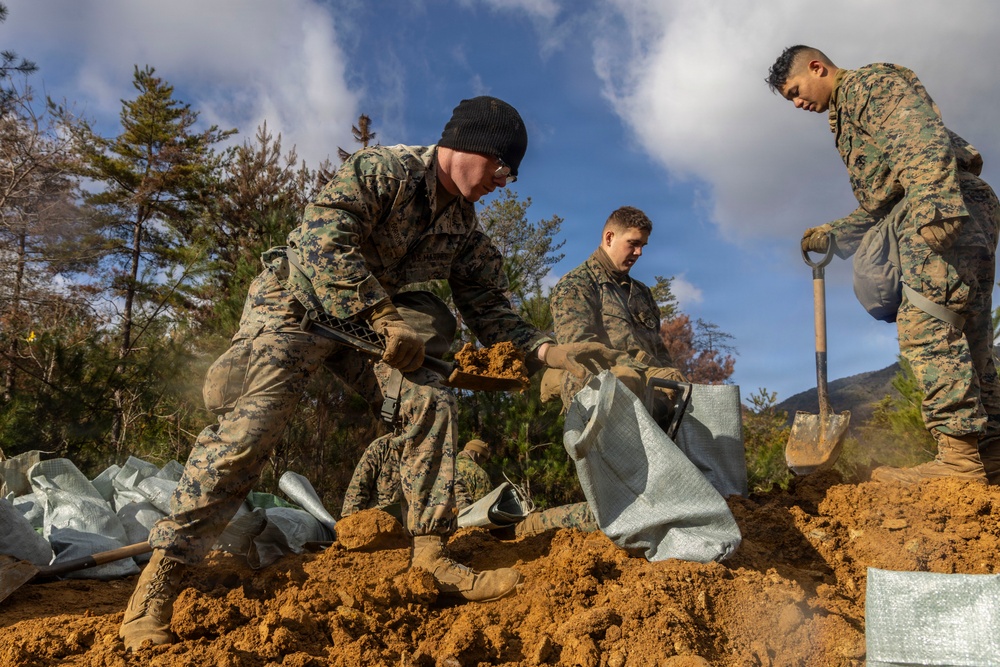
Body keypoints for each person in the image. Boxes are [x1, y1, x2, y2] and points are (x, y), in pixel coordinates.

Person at [119, 95, 620, 650]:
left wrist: (549, 352)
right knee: (250, 431)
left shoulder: (462, 226)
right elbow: (321, 237)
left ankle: (431, 556)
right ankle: (158, 583)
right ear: (471, 146)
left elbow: (488, 307)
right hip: (295, 306)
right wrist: (381, 315)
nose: (506, 181)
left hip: (367, 332)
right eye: (503, 167)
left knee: (429, 398)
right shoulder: (386, 170)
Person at [766, 45, 1000, 484]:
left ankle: (959, 461)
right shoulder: (847, 115)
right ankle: (989, 455)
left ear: (817, 67)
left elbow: (920, 135)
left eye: (796, 91)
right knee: (969, 329)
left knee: (927, 319)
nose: (798, 103)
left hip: (941, 202)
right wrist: (836, 234)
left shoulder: (869, 85)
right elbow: (886, 199)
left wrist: (935, 203)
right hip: (956, 201)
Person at [544, 206, 686, 426]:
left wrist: (669, 376)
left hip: (648, 398)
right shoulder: (576, 285)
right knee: (626, 378)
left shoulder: (641, 292)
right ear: (609, 237)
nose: (639, 253)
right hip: (600, 398)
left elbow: (657, 348)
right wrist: (648, 373)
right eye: (633, 243)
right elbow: (581, 352)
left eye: (643, 246)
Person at [342, 436, 598, 537]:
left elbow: (462, 506)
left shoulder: (441, 457)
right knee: (535, 525)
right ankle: (595, 515)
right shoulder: (384, 448)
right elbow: (354, 500)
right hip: (385, 535)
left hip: (437, 532)